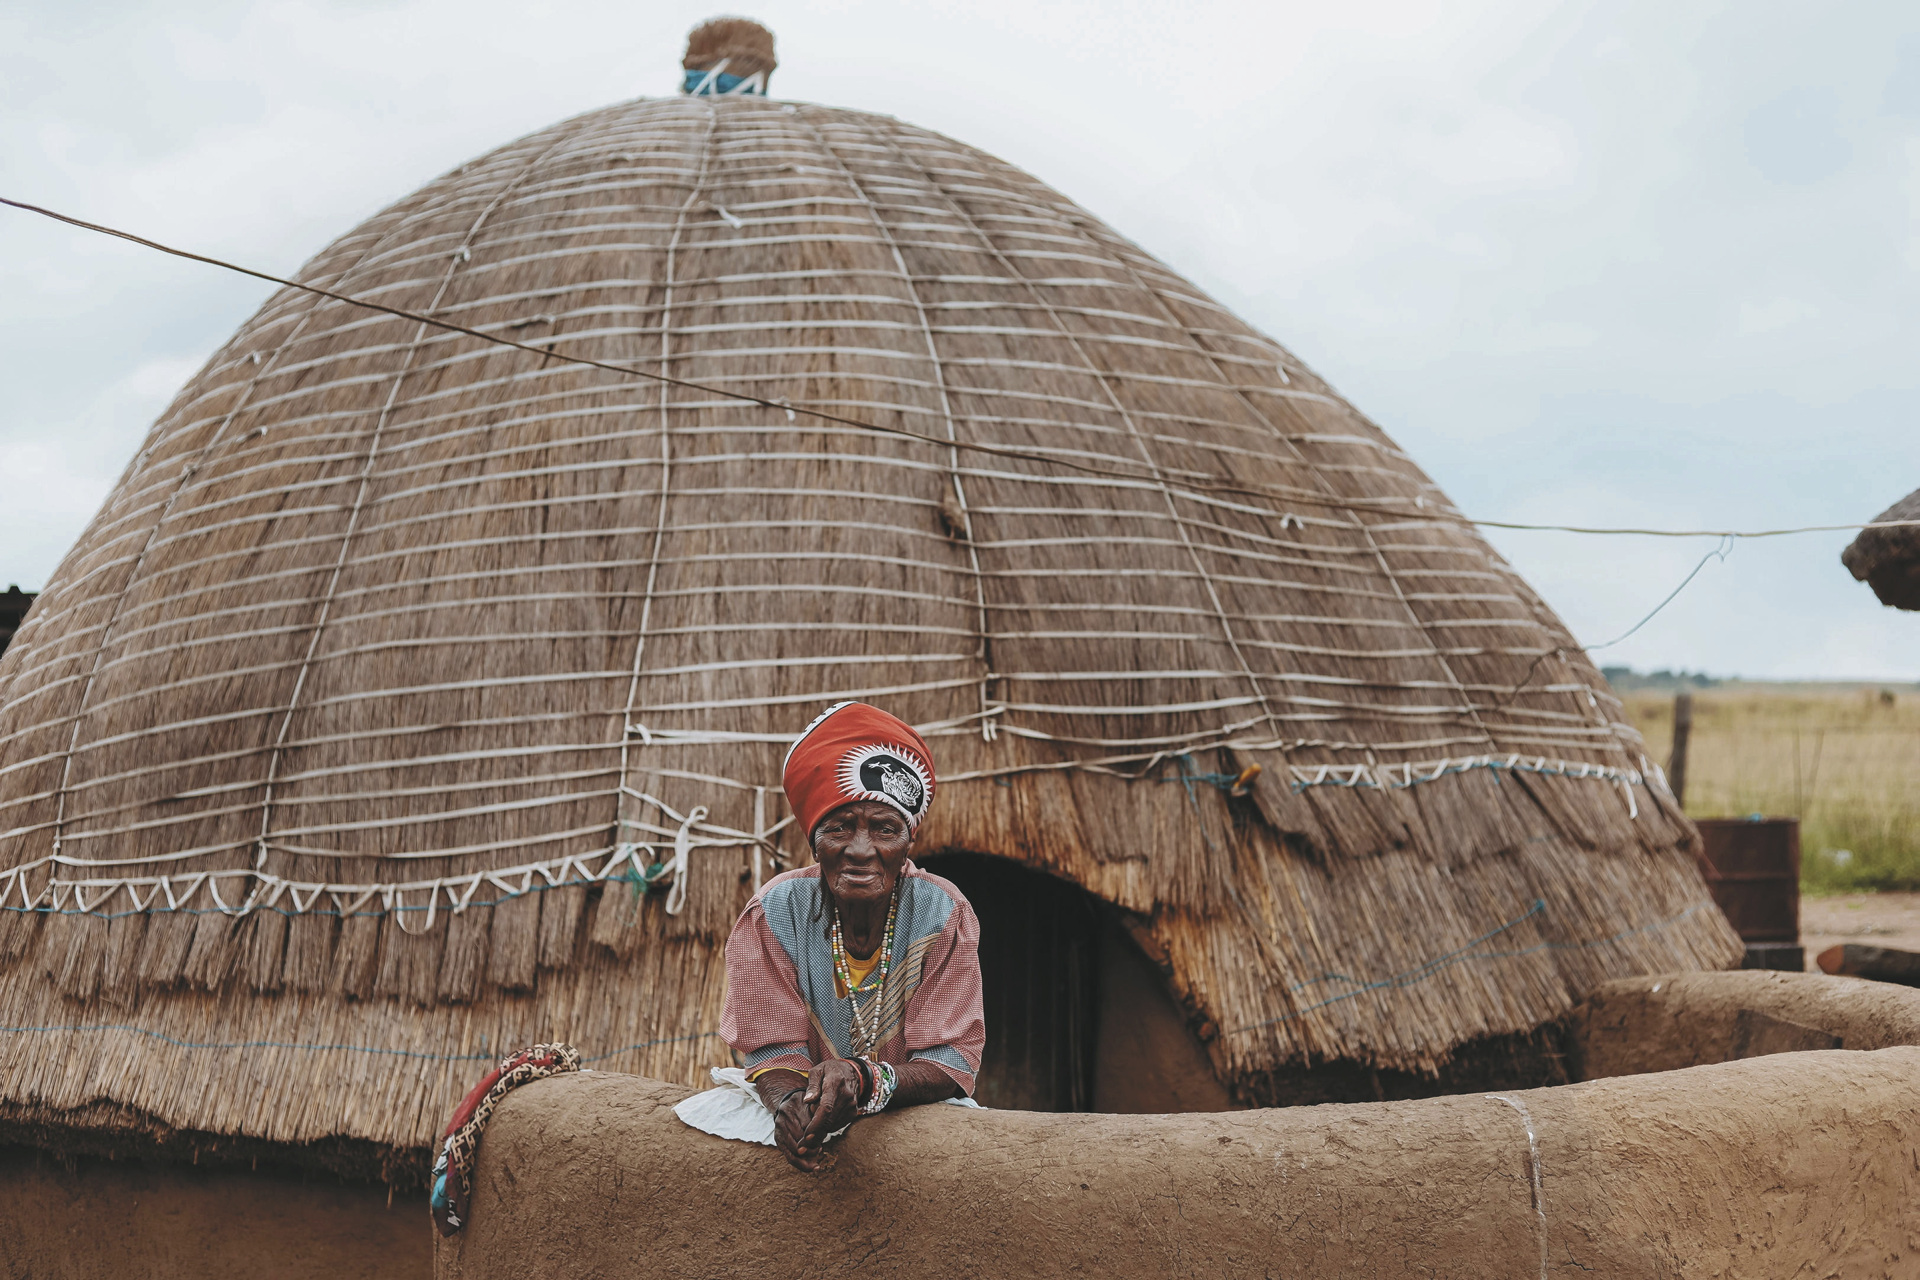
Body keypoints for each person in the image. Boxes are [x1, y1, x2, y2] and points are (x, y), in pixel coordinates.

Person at [720, 701, 985, 1171]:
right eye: (839, 827)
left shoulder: (943, 913)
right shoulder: (773, 912)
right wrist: (790, 1104)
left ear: (909, 843)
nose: (861, 850)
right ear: (813, 841)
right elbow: (771, 1046)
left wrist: (864, 1080)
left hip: (913, 1119)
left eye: (885, 829)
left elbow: (948, 1062)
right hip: (809, 1104)